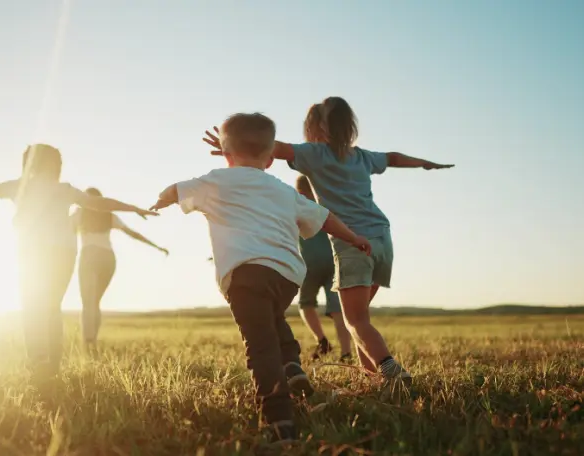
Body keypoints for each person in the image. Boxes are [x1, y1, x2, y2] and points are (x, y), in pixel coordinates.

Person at [204, 98, 453, 391]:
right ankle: (370, 380)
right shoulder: (362, 156)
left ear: (316, 127)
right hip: (383, 239)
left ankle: (390, 369)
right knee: (361, 319)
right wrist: (425, 163)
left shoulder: (314, 154)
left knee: (355, 321)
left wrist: (230, 146)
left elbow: (267, 146)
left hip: (353, 243)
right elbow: (394, 157)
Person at [151, 113, 371, 444]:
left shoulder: (215, 180)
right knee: (270, 319)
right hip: (287, 276)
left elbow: (176, 189)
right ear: (270, 159)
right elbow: (324, 217)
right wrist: (353, 238)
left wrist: (159, 201)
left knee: (260, 345)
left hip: (245, 274)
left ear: (226, 154)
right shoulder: (282, 189)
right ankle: (293, 366)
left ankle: (279, 421)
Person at [0, 144, 157, 379]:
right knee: (52, 308)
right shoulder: (64, 189)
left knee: (32, 306)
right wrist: (134, 208)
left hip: (34, 252)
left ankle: (39, 362)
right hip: (64, 252)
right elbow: (100, 204)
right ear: (56, 165)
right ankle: (51, 365)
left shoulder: (20, 186)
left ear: (30, 163)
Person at [71, 187, 169, 349]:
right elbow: (133, 234)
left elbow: (63, 230)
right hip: (108, 258)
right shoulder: (109, 216)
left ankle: (88, 343)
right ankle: (92, 342)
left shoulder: (79, 214)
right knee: (94, 303)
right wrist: (157, 247)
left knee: (88, 303)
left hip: (89, 256)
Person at [294, 175, 352, 362]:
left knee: (307, 304)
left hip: (311, 265)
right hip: (332, 263)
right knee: (336, 309)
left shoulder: (297, 208)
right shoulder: (328, 205)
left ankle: (325, 342)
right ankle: (344, 351)